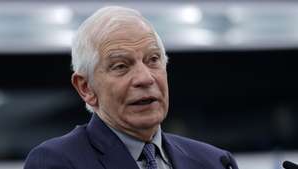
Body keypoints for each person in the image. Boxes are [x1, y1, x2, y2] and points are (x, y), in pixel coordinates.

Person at [24, 6, 239, 169]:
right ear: (86, 87)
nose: (145, 78)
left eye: (153, 60)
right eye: (121, 66)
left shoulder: (213, 161)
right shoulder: (56, 162)